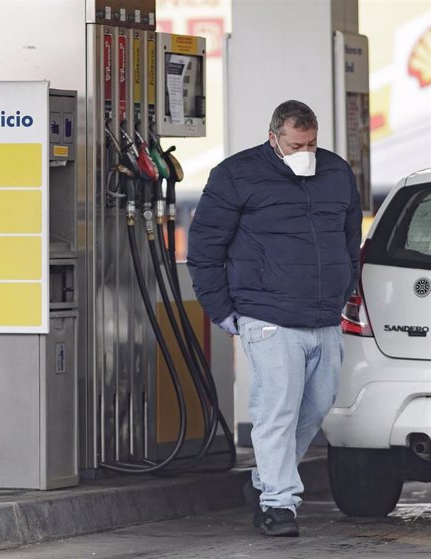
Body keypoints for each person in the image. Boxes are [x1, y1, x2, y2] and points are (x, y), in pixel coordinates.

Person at [187, 100, 362, 537]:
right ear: (274, 139)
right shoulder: (235, 175)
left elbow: (348, 237)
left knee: (316, 406)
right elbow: (205, 247)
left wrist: (342, 291)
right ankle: (278, 506)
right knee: (277, 409)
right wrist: (223, 310)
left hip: (322, 317)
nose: (306, 151)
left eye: (312, 143)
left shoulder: (336, 172)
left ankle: (265, 480)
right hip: (267, 316)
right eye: (296, 144)